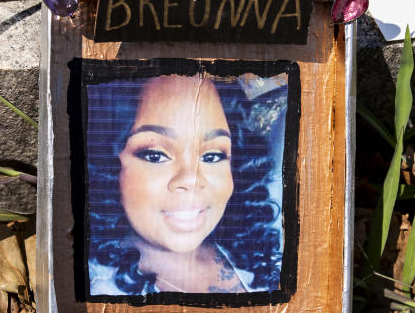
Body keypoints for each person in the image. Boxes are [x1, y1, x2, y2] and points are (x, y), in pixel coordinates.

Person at [86, 72, 282, 295]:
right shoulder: (94, 296)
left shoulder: (253, 251)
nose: (192, 179)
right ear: (107, 165)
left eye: (212, 156)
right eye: (155, 155)